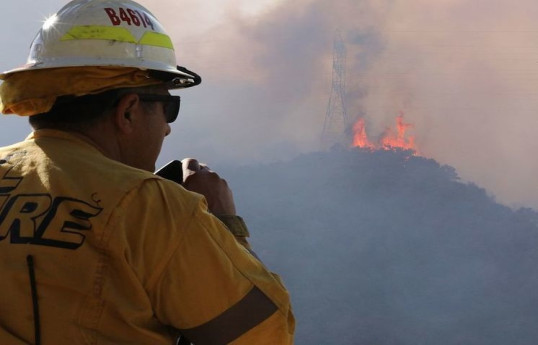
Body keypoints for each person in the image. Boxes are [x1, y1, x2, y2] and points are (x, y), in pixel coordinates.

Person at [0, 1, 294, 344]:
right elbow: (264, 336)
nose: (167, 129)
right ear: (128, 112)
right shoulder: (150, 204)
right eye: (168, 108)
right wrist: (225, 225)